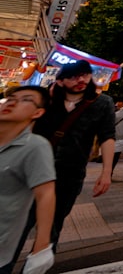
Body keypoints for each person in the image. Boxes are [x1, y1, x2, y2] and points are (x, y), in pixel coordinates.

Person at [30, 59, 114, 246]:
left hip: (70, 173)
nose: (81, 80)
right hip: (34, 168)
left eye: (85, 75)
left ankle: (36, 266)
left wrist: (106, 172)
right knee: (21, 221)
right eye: (74, 77)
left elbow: (107, 136)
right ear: (60, 81)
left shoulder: (102, 103)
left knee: (53, 223)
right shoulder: (45, 99)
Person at [0, 86, 55, 274]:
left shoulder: (35, 146)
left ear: (38, 112)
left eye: (25, 100)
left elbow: (45, 194)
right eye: (10, 98)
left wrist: (41, 247)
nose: (12, 102)